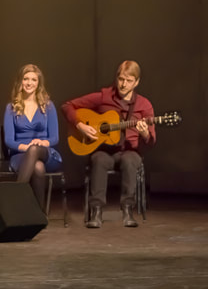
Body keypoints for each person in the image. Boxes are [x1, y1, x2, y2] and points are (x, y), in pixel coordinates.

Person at [61, 60, 156, 229]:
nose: (123, 84)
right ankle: (96, 212)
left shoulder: (144, 105)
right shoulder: (103, 97)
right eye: (120, 79)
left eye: (128, 80)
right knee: (99, 160)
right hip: (104, 149)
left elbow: (151, 141)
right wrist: (80, 125)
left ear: (137, 82)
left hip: (129, 150)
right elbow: (67, 106)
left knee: (130, 161)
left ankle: (127, 210)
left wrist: (144, 133)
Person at [3, 64, 62, 210]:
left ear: (38, 83)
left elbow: (54, 138)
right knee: (38, 167)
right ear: (20, 82)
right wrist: (27, 147)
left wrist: (41, 143)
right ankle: (40, 215)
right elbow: (9, 140)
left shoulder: (48, 106)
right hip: (20, 156)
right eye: (26, 79)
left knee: (36, 151)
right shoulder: (11, 108)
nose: (29, 83)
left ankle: (15, 199)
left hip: (46, 153)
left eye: (34, 80)